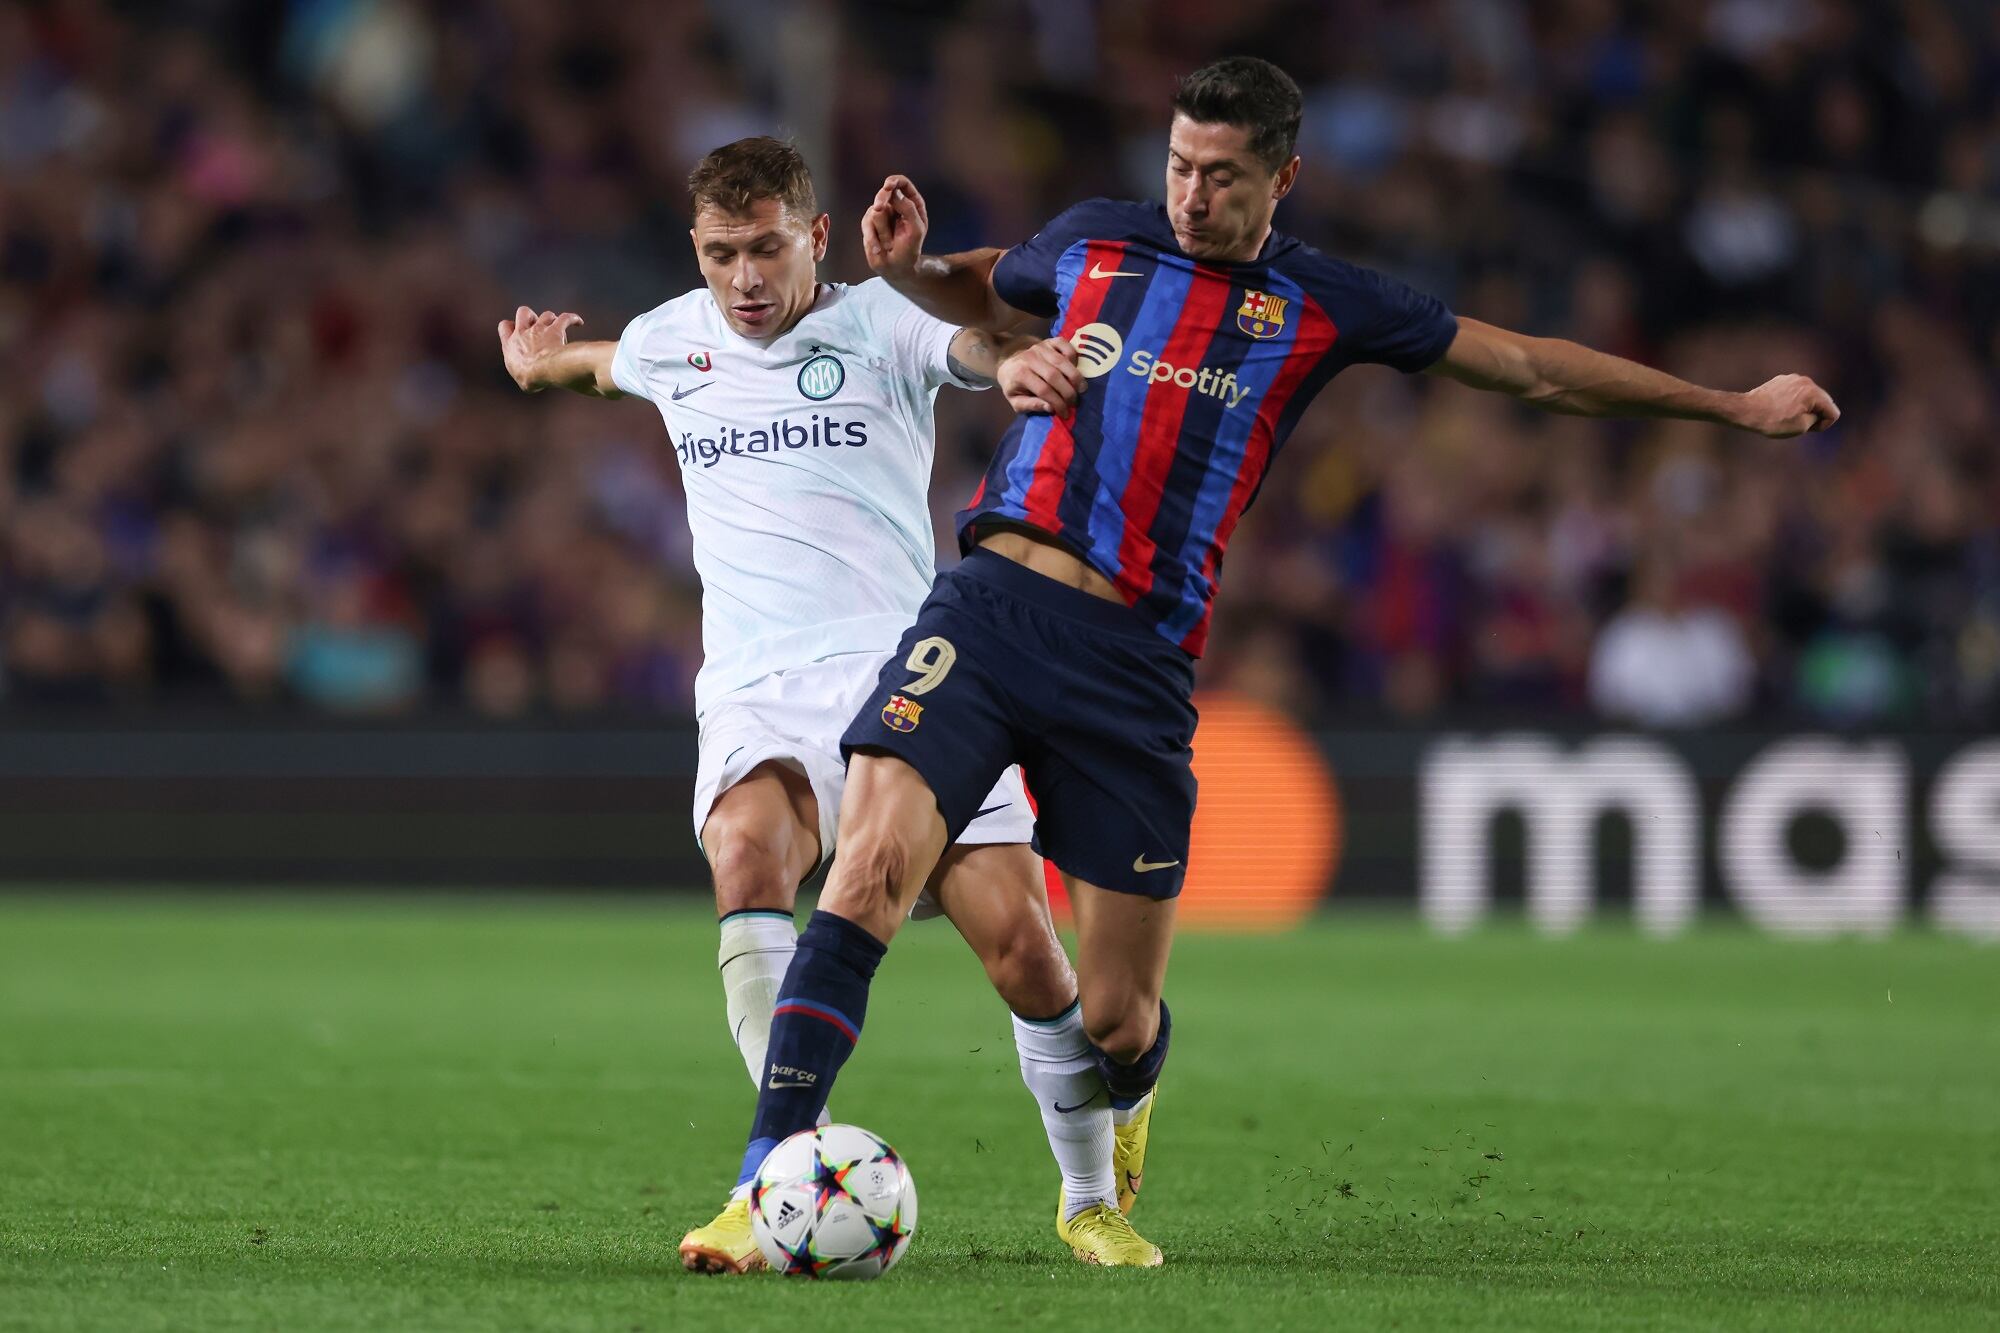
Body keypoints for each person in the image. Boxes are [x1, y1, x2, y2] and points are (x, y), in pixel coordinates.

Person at [690, 56, 1842, 1265]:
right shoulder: (1091, 240)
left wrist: (1726, 406)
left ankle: (1122, 1106)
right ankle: (758, 1178)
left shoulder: (1323, 301)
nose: (1190, 195)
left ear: (1281, 176)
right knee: (864, 870)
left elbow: (1528, 366)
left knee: (1118, 1016)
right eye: (1179, 166)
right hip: (983, 606)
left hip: (1131, 660)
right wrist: (907, 269)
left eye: (1221, 176)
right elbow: (981, 286)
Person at [500, 136, 1149, 1272]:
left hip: (917, 675)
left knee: (1027, 959)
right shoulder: (674, 339)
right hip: (757, 685)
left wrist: (1015, 366)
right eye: (718, 255)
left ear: (811, 236)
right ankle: (772, 1177)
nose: (743, 278)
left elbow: (972, 346)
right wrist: (535, 363)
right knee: (746, 850)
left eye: (762, 248)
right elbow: (603, 364)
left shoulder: (873, 321)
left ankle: (1090, 1197)